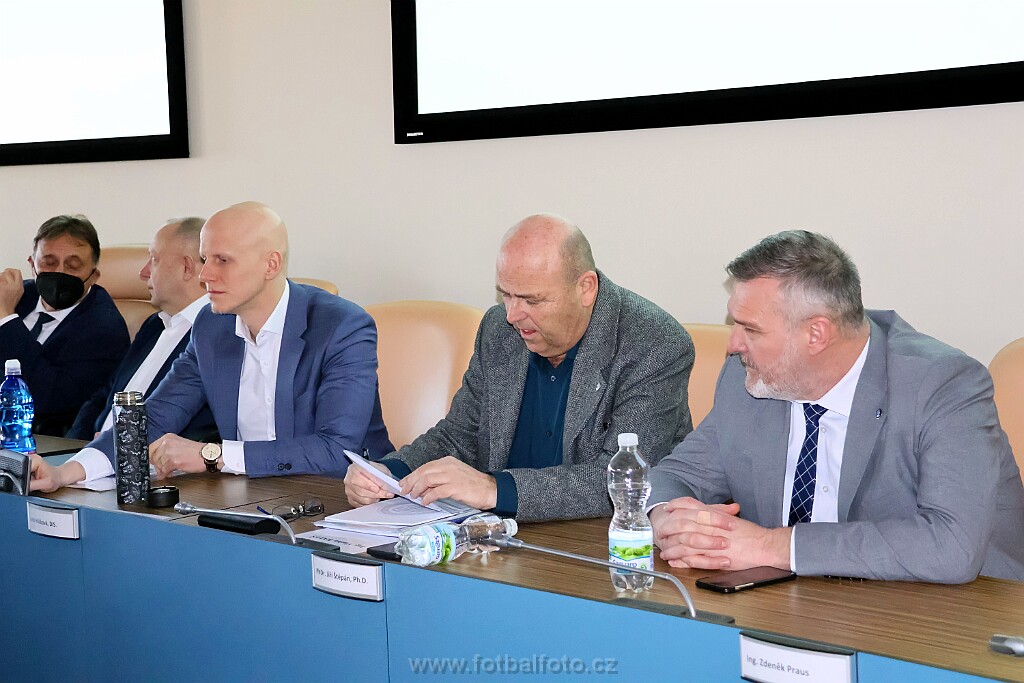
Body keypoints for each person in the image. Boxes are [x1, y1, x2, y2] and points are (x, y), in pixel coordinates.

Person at [648, 230, 1024, 583]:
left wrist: (768, 545)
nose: (733, 345)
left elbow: (952, 545)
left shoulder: (943, 385)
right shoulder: (749, 376)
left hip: (954, 613)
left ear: (816, 333)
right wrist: (666, 518)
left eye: (751, 329)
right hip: (793, 605)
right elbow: (677, 475)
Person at [345, 213, 694, 522]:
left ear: (585, 288)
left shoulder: (654, 343)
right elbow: (460, 434)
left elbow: (624, 478)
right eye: (506, 295)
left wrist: (494, 489)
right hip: (495, 538)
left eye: (531, 300)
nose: (512, 315)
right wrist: (389, 472)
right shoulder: (499, 328)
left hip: (600, 542)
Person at [30, 201, 392, 491]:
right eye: (205, 259)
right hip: (250, 498)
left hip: (344, 499)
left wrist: (212, 455)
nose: (205, 275)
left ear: (271, 264)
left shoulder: (341, 326)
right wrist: (65, 472)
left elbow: (335, 450)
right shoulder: (211, 326)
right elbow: (155, 416)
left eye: (223, 260)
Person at [66, 217, 216, 442]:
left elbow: (198, 430)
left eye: (154, 259)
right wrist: (76, 447)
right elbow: (105, 394)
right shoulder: (154, 325)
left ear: (187, 267)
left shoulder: (216, 336)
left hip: (148, 459)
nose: (143, 273)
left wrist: (111, 448)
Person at [0, 214, 130, 435]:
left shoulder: (104, 329)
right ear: (32, 264)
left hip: (35, 437)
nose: (59, 273)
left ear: (94, 275)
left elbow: (48, 397)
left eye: (73, 266)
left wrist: (6, 319)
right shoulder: (16, 295)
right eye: (49, 263)